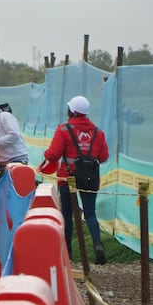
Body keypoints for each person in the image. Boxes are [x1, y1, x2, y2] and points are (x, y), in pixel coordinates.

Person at [42, 95, 110, 264]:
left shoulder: (64, 129)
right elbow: (104, 157)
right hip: (90, 179)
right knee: (90, 213)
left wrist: (46, 155)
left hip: (68, 178)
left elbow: (53, 154)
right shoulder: (98, 132)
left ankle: (68, 254)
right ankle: (97, 244)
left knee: (66, 214)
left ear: (71, 111)